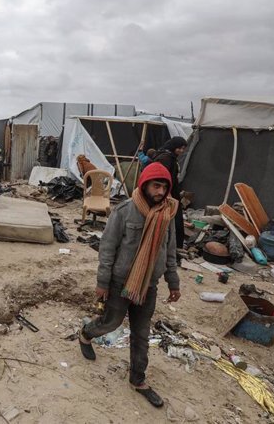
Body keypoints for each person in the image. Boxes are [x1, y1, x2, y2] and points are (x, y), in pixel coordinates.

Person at [78, 162, 181, 408]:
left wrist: (173, 282)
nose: (160, 191)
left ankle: (138, 379)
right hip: (120, 282)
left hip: (149, 285)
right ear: (144, 185)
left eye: (164, 187)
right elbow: (107, 248)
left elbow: (170, 251)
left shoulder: (167, 214)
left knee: (141, 333)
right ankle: (85, 334)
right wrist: (102, 283)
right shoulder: (124, 211)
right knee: (111, 323)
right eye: (156, 185)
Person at [153, 137, 188, 250]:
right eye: (180, 148)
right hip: (166, 194)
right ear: (174, 146)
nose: (181, 151)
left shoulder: (170, 157)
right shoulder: (165, 158)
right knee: (170, 220)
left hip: (171, 193)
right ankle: (171, 246)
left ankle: (173, 246)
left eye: (183, 149)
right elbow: (161, 178)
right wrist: (167, 194)